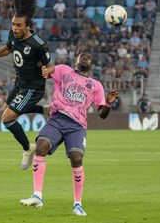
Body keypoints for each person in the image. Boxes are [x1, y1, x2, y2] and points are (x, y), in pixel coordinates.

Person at [20, 53, 118, 216]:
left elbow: (102, 114)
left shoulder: (95, 85)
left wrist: (107, 103)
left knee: (76, 158)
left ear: (91, 64)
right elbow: (48, 69)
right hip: (57, 118)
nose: (86, 57)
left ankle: (77, 204)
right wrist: (41, 64)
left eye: (89, 57)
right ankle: (37, 195)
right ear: (76, 61)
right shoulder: (64, 71)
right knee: (41, 146)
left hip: (77, 126)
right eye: (83, 56)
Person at [0, 0, 53, 170]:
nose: (15, 28)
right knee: (9, 109)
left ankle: (28, 148)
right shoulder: (13, 35)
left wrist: (46, 70)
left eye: (18, 26)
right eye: (13, 24)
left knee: (7, 118)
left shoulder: (37, 44)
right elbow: (8, 48)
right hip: (19, 83)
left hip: (32, 87)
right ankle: (45, 110)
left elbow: (51, 65)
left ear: (27, 26)